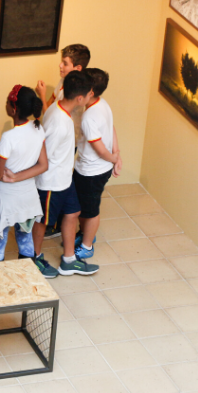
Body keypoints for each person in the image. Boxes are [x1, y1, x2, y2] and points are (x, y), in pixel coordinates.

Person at [29, 71, 99, 276]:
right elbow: (44, 156)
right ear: (80, 98)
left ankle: (69, 260)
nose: (90, 97)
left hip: (64, 180)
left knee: (73, 213)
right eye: (89, 94)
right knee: (43, 222)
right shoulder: (59, 122)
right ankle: (33, 258)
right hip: (51, 183)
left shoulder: (58, 108)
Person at [0, 85, 56, 277]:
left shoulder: (8, 137)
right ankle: (26, 280)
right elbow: (43, 165)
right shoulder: (37, 128)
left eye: (7, 101)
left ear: (14, 109)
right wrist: (18, 177)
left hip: (5, 200)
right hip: (28, 198)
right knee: (25, 239)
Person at [36, 44, 91, 239]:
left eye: (65, 63)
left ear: (77, 68)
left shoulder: (74, 97)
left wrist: (42, 96)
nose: (60, 66)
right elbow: (50, 107)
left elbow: (47, 108)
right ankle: (51, 220)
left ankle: (55, 221)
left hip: (67, 141)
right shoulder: (63, 83)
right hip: (56, 143)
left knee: (60, 179)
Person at [73, 69, 122, 259]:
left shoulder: (88, 117)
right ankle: (84, 234)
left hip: (91, 172)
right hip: (95, 169)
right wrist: (117, 154)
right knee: (85, 206)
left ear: (90, 92)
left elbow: (100, 149)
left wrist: (113, 158)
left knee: (91, 210)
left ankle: (87, 245)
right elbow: (112, 128)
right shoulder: (104, 104)